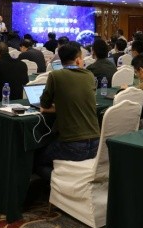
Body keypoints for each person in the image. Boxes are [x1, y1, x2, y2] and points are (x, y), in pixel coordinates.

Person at [34, 43, 100, 182]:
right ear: (78, 59)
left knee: (36, 161)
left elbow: (44, 104)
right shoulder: (89, 75)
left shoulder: (55, 75)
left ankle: (64, 184)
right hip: (95, 143)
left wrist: (51, 107)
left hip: (72, 145)